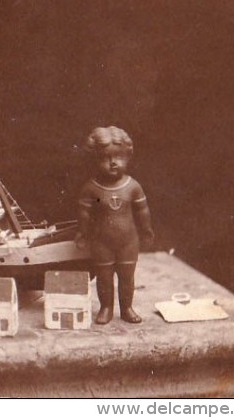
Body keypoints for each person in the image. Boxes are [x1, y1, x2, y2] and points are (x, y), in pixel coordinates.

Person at [75, 126, 154, 324]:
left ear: (128, 156)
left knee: (127, 277)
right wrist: (83, 234)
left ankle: (126, 308)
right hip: (101, 243)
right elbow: (84, 214)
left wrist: (146, 231)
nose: (112, 163)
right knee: (104, 277)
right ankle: (106, 308)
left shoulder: (133, 186)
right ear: (94, 160)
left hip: (128, 242)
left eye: (119, 157)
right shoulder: (91, 188)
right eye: (104, 158)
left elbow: (142, 211)